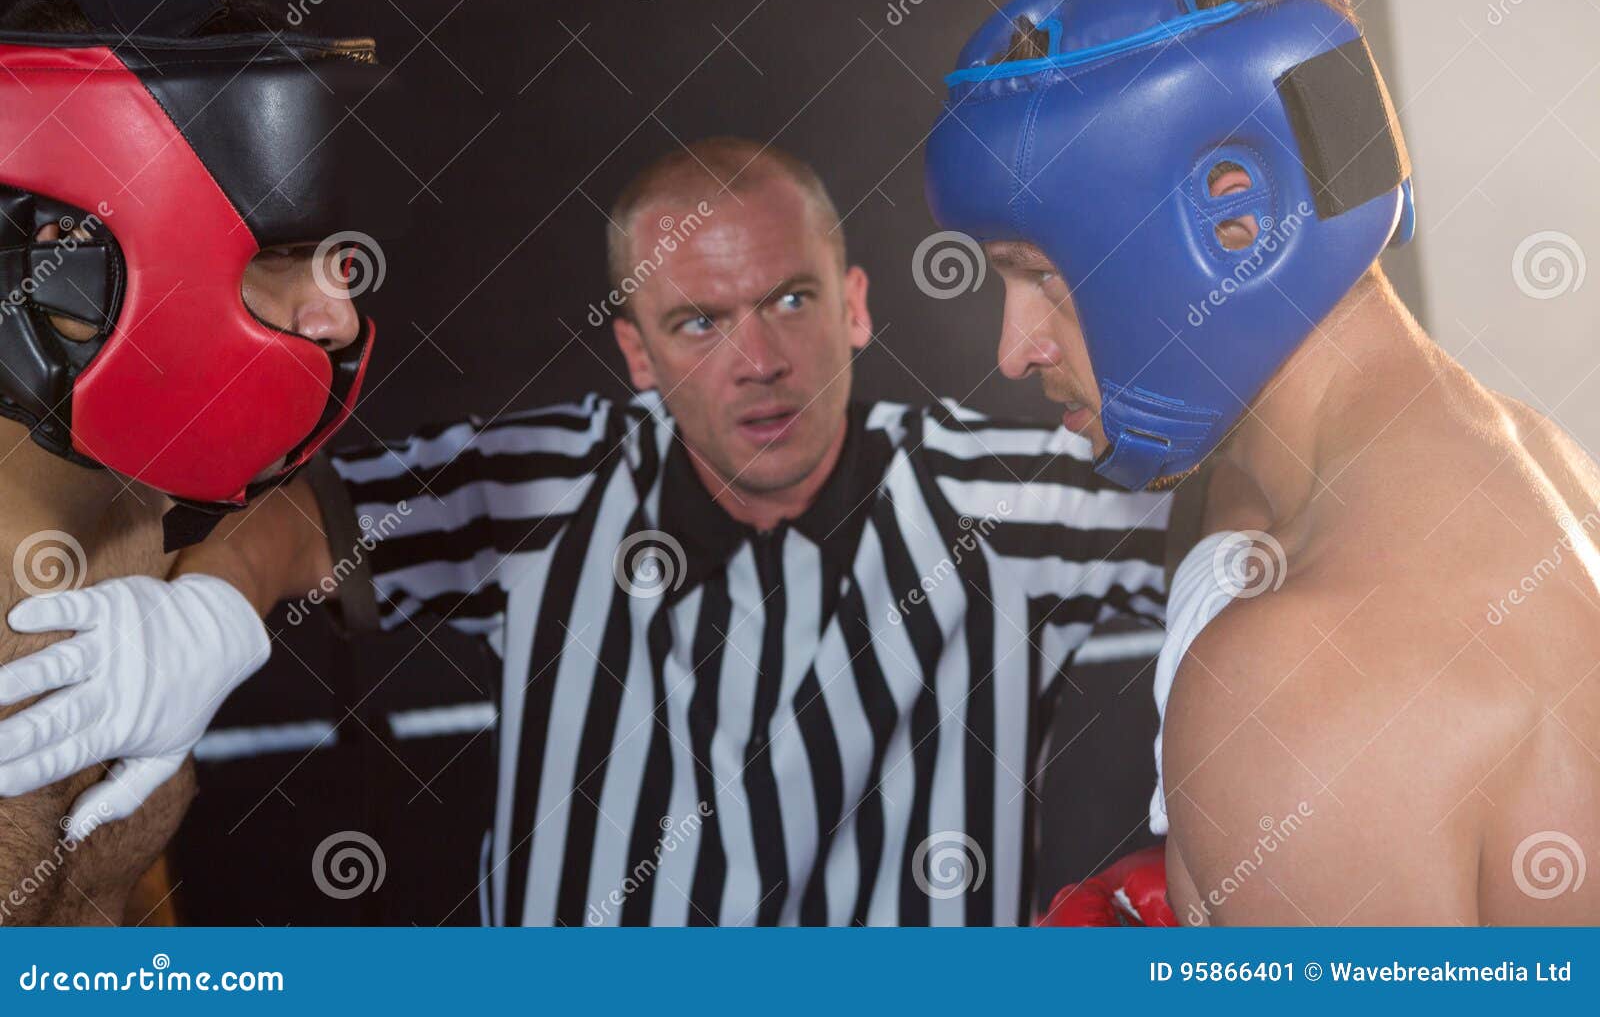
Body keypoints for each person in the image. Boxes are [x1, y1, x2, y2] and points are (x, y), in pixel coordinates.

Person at [2, 136, 1172, 925]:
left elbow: (1250, 509)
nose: (759, 358)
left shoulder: (1000, 498)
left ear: (856, 305)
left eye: (791, 299)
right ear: (637, 353)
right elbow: (308, 514)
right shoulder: (550, 483)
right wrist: (209, 607)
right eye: (699, 321)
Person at [927, 0, 1600, 924]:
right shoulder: (1541, 465)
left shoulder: (1289, 682)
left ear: (1229, 226)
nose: (1015, 348)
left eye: (1036, 272)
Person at [0, 0, 397, 923]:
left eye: (339, 262)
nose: (341, 317)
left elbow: (315, 516)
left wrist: (214, 608)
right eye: (282, 256)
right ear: (67, 257)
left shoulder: (145, 505)